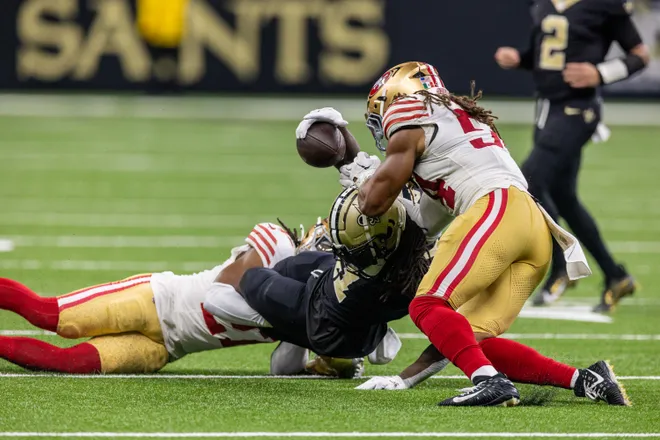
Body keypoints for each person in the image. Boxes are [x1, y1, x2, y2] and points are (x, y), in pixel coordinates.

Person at [297, 61, 592, 406]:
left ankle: (489, 382)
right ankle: (584, 379)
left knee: (426, 305)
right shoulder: (455, 122)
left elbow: (374, 203)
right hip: (533, 228)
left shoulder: (408, 109)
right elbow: (417, 222)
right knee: (464, 336)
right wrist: (402, 381)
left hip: (498, 209)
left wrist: (349, 162)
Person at [495, 0, 649, 311]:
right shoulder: (543, 3)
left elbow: (640, 54)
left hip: (577, 110)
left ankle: (563, 261)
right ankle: (615, 275)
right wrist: (520, 59)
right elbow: (547, 55)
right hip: (547, 110)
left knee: (531, 182)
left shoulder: (603, 4)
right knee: (564, 197)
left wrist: (601, 72)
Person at [0, 223, 296, 374]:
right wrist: (277, 320)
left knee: (70, 362)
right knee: (52, 317)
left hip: (165, 349)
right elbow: (217, 300)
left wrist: (310, 340)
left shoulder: (303, 308)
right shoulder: (277, 249)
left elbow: (283, 369)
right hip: (155, 300)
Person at [206, 187, 430, 366]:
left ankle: (362, 328)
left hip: (329, 314)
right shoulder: (402, 265)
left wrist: (280, 324)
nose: (323, 239)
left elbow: (213, 299)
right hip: (353, 305)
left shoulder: (277, 244)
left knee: (252, 278)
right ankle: (375, 328)